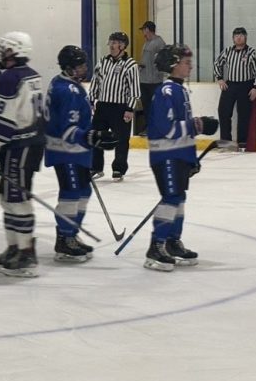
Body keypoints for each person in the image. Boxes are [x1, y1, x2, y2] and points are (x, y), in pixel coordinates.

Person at [0, 31, 44, 278]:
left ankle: (26, 254)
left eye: (5, 50)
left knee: (16, 199)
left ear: (17, 51)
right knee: (7, 197)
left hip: (19, 147)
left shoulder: (9, 79)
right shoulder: (30, 75)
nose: (1, 54)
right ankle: (14, 247)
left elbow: (3, 121)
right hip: (27, 144)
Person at [144, 44, 216, 271]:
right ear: (173, 65)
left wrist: (190, 158)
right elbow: (168, 128)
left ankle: (172, 241)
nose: (190, 66)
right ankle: (156, 246)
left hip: (177, 155)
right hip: (165, 156)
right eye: (186, 62)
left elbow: (182, 131)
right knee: (171, 198)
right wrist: (199, 124)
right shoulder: (166, 91)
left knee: (179, 199)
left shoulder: (181, 90)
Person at [47, 45, 112, 262]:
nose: (85, 68)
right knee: (71, 194)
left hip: (77, 151)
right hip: (66, 152)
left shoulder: (68, 84)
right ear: (69, 68)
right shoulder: (67, 90)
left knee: (83, 193)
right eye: (80, 65)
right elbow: (68, 130)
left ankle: (71, 234)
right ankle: (64, 239)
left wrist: (91, 137)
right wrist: (91, 137)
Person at [89, 31, 139, 180]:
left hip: (120, 107)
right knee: (96, 136)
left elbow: (134, 88)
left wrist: (130, 108)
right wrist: (92, 100)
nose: (111, 45)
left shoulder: (130, 64)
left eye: (115, 42)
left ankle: (119, 169)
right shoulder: (102, 61)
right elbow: (95, 81)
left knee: (122, 139)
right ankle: (96, 167)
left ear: (122, 46)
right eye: (110, 42)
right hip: (103, 106)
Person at [214, 26, 256, 148]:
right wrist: (219, 79)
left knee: (244, 115)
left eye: (241, 35)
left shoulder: (252, 52)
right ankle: (225, 142)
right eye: (236, 36)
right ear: (233, 38)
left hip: (246, 85)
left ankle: (242, 143)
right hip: (230, 85)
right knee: (223, 112)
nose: (239, 38)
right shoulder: (227, 51)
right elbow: (217, 64)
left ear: (246, 37)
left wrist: (255, 87)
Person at [136, 21, 165, 135]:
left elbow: (161, 60)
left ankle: (156, 127)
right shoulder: (147, 43)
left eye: (143, 29)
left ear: (147, 29)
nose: (143, 32)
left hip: (154, 81)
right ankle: (149, 127)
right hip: (144, 80)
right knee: (147, 107)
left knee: (154, 107)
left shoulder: (159, 43)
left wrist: (153, 66)